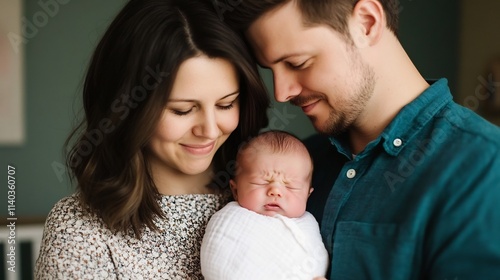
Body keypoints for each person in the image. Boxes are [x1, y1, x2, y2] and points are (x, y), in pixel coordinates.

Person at [222, 0, 500, 279]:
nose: (282, 92)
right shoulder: (303, 162)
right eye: (271, 70)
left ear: (366, 23)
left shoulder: (484, 170)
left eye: (297, 63)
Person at [34, 0, 269, 278]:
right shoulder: (79, 229)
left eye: (226, 105)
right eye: (182, 110)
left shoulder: (272, 193)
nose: (209, 129)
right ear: (127, 109)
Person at [200, 130, 329, 280]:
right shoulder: (230, 221)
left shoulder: (309, 225)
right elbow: (218, 263)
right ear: (235, 190)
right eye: (261, 182)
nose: (275, 191)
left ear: (308, 195)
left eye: (291, 186)